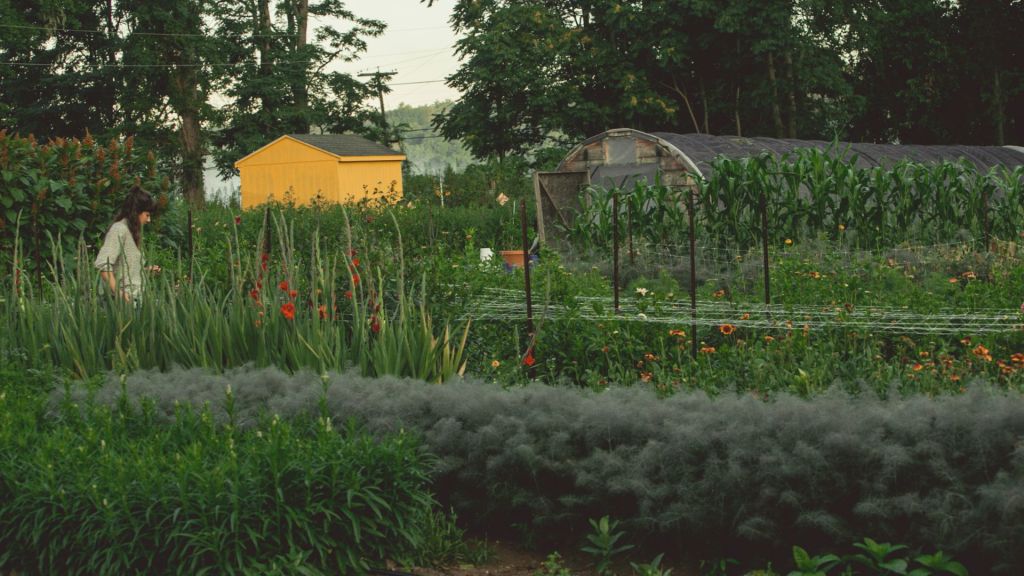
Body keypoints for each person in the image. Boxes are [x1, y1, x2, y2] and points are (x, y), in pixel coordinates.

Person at [94, 186, 160, 302]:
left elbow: (124, 269)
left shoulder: (133, 232)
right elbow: (103, 265)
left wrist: (144, 270)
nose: (149, 220)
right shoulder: (119, 229)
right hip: (121, 304)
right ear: (136, 212)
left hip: (136, 299)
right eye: (147, 215)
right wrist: (120, 294)